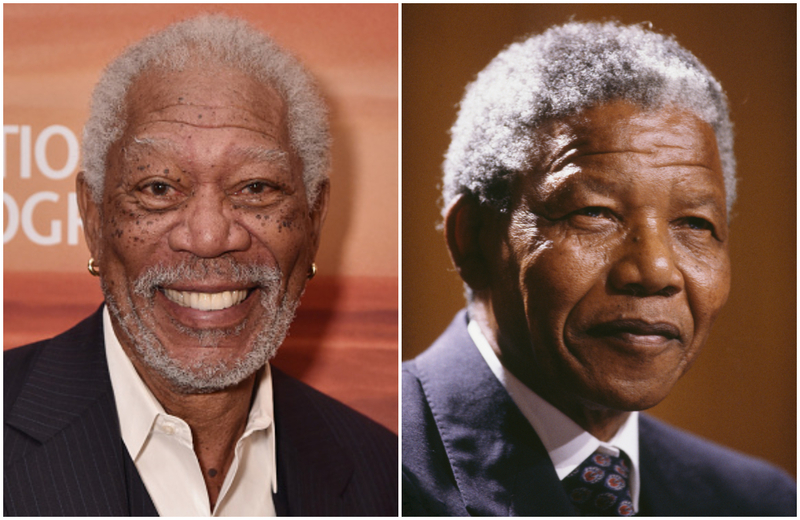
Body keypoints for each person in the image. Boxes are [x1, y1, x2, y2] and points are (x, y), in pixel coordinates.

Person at [5, 15, 397, 517]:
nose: (210, 238)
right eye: (159, 188)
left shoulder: (383, 477)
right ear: (95, 219)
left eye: (256, 187)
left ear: (314, 221)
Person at [402, 21, 795, 516]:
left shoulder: (757, 502)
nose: (655, 271)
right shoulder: (367, 471)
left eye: (694, 223)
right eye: (594, 214)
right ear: (472, 239)